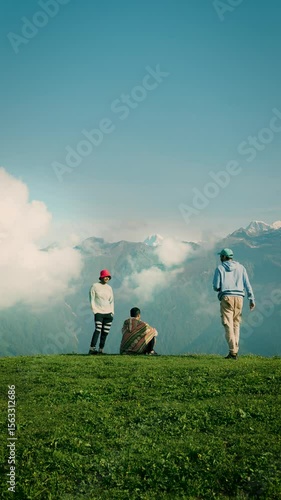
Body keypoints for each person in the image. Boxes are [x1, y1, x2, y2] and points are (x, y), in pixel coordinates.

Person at [213, 248, 255, 359]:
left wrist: (221, 288)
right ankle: (235, 349)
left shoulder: (220, 268)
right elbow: (247, 284)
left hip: (227, 298)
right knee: (236, 324)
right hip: (240, 298)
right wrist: (251, 298)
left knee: (228, 324)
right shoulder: (241, 268)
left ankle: (233, 352)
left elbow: (216, 286)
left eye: (220, 256)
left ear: (223, 257)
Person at [88, 269, 114, 355]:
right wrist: (94, 310)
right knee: (98, 330)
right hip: (98, 312)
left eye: (107, 277)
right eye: (105, 276)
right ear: (101, 277)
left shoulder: (109, 288)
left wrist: (112, 312)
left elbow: (111, 300)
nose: (106, 278)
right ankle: (92, 348)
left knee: (105, 332)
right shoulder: (95, 286)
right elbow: (91, 299)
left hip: (108, 313)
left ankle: (101, 349)